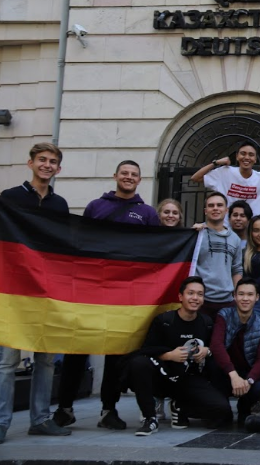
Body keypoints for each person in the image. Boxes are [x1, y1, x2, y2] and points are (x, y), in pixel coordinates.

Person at [54, 160, 159, 432]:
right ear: (115, 176)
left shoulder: (147, 213)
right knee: (77, 348)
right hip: (92, 289)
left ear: (140, 180)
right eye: (124, 173)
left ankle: (108, 410)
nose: (128, 177)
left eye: (134, 174)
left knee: (116, 354)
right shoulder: (95, 207)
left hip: (125, 294)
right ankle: (64, 409)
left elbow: (157, 248)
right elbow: (80, 242)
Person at [0, 143, 72, 443]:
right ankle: (1, 423)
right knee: (7, 361)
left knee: (45, 359)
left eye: (52, 161)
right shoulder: (9, 198)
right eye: (42, 160)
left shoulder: (60, 205)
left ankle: (40, 420)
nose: (47, 165)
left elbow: (65, 245)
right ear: (30, 163)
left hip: (47, 291)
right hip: (14, 291)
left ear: (58, 169)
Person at [121, 276, 232, 436]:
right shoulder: (164, 320)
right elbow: (145, 351)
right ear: (180, 296)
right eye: (190, 293)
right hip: (162, 377)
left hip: (187, 379)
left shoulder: (206, 322)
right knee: (139, 364)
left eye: (200, 294)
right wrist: (169, 355)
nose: (195, 298)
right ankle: (150, 418)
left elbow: (215, 349)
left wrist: (205, 351)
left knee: (222, 409)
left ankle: (180, 406)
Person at [209, 278, 260, 424]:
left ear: (257, 297)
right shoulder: (224, 315)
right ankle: (222, 408)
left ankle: (244, 408)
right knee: (212, 368)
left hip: (246, 372)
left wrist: (248, 381)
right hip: (225, 371)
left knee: (258, 386)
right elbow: (216, 345)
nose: (245, 298)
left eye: (250, 294)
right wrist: (233, 375)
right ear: (234, 296)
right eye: (241, 294)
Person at [190, 141, 260, 218]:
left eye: (251, 155)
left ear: (255, 159)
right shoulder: (224, 172)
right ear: (237, 156)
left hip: (252, 230)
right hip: (227, 228)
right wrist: (216, 163)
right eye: (243, 153)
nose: (246, 157)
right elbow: (195, 178)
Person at [195, 192, 243, 319]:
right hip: (200, 300)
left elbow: (237, 269)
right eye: (211, 205)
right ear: (205, 211)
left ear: (226, 210)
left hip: (227, 301)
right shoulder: (196, 235)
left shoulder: (235, 239)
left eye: (219, 205)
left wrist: (236, 294)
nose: (215, 208)